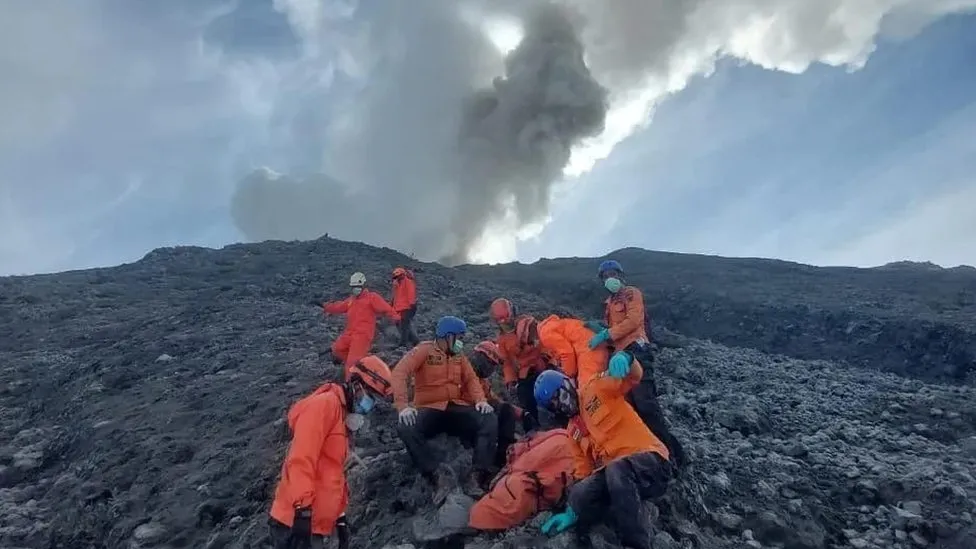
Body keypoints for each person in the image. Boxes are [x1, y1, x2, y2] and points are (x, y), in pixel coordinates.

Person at [533, 363, 675, 549]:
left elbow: (632, 378)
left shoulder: (596, 388)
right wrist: (573, 509)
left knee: (617, 470)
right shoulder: (572, 432)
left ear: (567, 384)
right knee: (581, 491)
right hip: (621, 479)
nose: (562, 403)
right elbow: (583, 473)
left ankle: (636, 544)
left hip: (652, 462)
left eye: (560, 395)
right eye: (554, 404)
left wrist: (628, 360)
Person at [268, 355, 395, 549]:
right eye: (370, 397)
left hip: (315, 524)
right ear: (357, 385)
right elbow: (301, 458)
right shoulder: (324, 405)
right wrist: (302, 511)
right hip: (294, 521)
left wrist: (340, 516)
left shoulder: (342, 415)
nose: (370, 405)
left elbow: (333, 472)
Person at [588, 259, 687, 470]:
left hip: (638, 350)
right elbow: (615, 329)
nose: (609, 279)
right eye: (605, 277)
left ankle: (672, 458)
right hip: (621, 356)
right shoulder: (609, 304)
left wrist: (607, 333)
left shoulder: (631, 294)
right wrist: (601, 331)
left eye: (612, 274)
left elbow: (633, 321)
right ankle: (653, 453)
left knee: (646, 405)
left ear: (621, 275)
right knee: (634, 408)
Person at [392, 315, 498, 505]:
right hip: (429, 409)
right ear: (447, 336)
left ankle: (477, 474)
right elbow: (399, 372)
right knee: (405, 427)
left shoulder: (458, 355)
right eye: (458, 337)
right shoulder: (424, 350)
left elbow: (471, 379)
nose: (460, 342)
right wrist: (403, 407)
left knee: (488, 419)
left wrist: (481, 401)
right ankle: (436, 475)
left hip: (454, 407)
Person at [314, 272, 400, 378]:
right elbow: (339, 307)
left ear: (363, 286)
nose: (355, 289)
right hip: (349, 333)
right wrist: (325, 305)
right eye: (353, 287)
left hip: (362, 335)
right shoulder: (351, 300)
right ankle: (361, 366)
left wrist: (396, 318)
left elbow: (386, 308)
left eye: (358, 287)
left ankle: (350, 383)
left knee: (351, 363)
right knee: (337, 349)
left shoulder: (372, 297)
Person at [489, 298, 550, 432]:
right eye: (500, 319)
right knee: (525, 398)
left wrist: (547, 357)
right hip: (526, 373)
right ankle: (535, 429)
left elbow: (545, 339)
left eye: (506, 317)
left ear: (513, 312)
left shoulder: (528, 323)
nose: (505, 321)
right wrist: (510, 381)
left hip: (543, 364)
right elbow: (507, 363)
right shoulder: (502, 339)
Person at [468, 340, 524, 468]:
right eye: (490, 363)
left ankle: (502, 458)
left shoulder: (482, 382)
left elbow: (494, 401)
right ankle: (481, 468)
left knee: (506, 410)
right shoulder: (462, 372)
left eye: (494, 365)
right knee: (489, 418)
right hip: (462, 416)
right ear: (481, 358)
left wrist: (521, 413)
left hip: (475, 413)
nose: (491, 369)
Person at [390, 266, 420, 347]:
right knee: (403, 325)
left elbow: (411, 294)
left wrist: (412, 305)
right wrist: (392, 305)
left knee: (404, 325)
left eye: (398, 276)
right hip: (399, 308)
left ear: (403, 275)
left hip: (407, 307)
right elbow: (396, 296)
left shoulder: (408, 282)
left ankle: (403, 343)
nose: (397, 278)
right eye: (395, 277)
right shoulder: (397, 284)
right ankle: (415, 340)